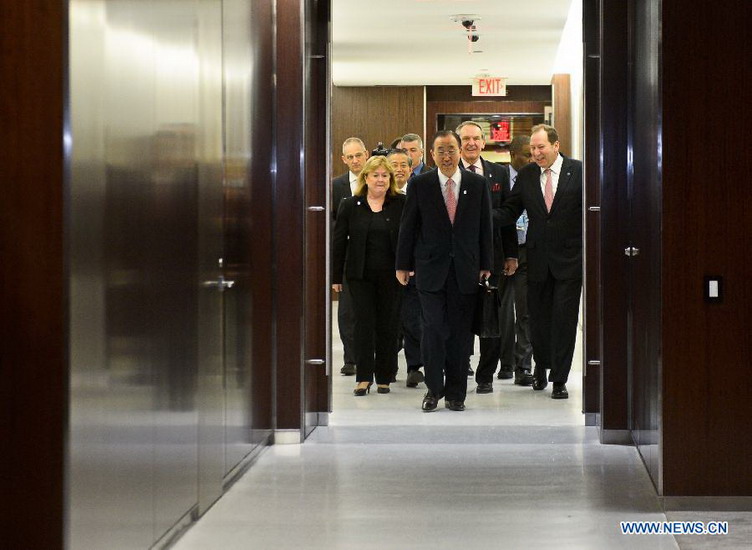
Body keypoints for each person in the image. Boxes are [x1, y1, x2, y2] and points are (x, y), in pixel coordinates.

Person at [396, 130, 493, 411]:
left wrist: (486, 263)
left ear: (460, 150)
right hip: (429, 270)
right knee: (433, 329)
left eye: (451, 149)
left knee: (461, 334)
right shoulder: (421, 184)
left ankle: (456, 394)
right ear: (432, 155)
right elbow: (408, 226)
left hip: (465, 270)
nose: (447, 156)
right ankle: (433, 390)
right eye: (441, 151)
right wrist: (403, 264)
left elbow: (485, 226)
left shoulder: (476, 184)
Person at [498, 124, 583, 399]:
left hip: (570, 260)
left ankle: (559, 379)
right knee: (538, 320)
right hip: (536, 260)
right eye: (533, 148)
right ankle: (541, 367)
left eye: (541, 147)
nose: (536, 153)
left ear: (555, 145)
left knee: (564, 320)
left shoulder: (578, 171)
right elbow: (511, 210)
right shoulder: (526, 175)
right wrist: (480, 216)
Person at [333, 155, 405, 396]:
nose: (381, 179)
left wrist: (408, 266)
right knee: (363, 325)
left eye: (385, 175)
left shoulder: (400, 204)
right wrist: (335, 277)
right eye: (376, 175)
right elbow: (338, 243)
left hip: (391, 276)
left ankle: (384, 377)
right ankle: (363, 377)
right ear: (366, 177)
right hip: (359, 276)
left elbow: (409, 239)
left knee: (388, 326)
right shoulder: (350, 205)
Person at [455, 121, 519, 394]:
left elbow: (508, 217)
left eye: (476, 138)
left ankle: (486, 376)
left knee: (492, 319)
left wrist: (512, 254)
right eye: (465, 138)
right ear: (458, 144)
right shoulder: (446, 173)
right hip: (458, 259)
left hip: (493, 257)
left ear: (483, 142)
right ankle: (459, 367)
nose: (471, 143)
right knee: (460, 317)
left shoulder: (498, 173)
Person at [331, 137, 369, 376]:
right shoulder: (336, 186)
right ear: (344, 160)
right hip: (347, 256)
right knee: (347, 310)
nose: (355, 161)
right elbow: (332, 221)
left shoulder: (379, 179)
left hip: (376, 254)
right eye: (350, 157)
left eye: (359, 155)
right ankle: (351, 358)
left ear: (366, 154)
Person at [387, 149, 424, 388]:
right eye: (394, 165)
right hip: (385, 267)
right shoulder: (381, 196)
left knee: (413, 320)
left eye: (404, 165)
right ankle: (387, 368)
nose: (399, 169)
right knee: (388, 320)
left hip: (412, 268)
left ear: (411, 169)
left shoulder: (419, 193)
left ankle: (414, 366)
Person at [500, 135, 535, 386]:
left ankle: (524, 365)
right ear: (513, 154)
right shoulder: (497, 178)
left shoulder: (536, 178)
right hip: (501, 251)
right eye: (526, 153)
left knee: (525, 311)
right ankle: (505, 364)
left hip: (528, 251)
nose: (531, 158)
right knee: (502, 313)